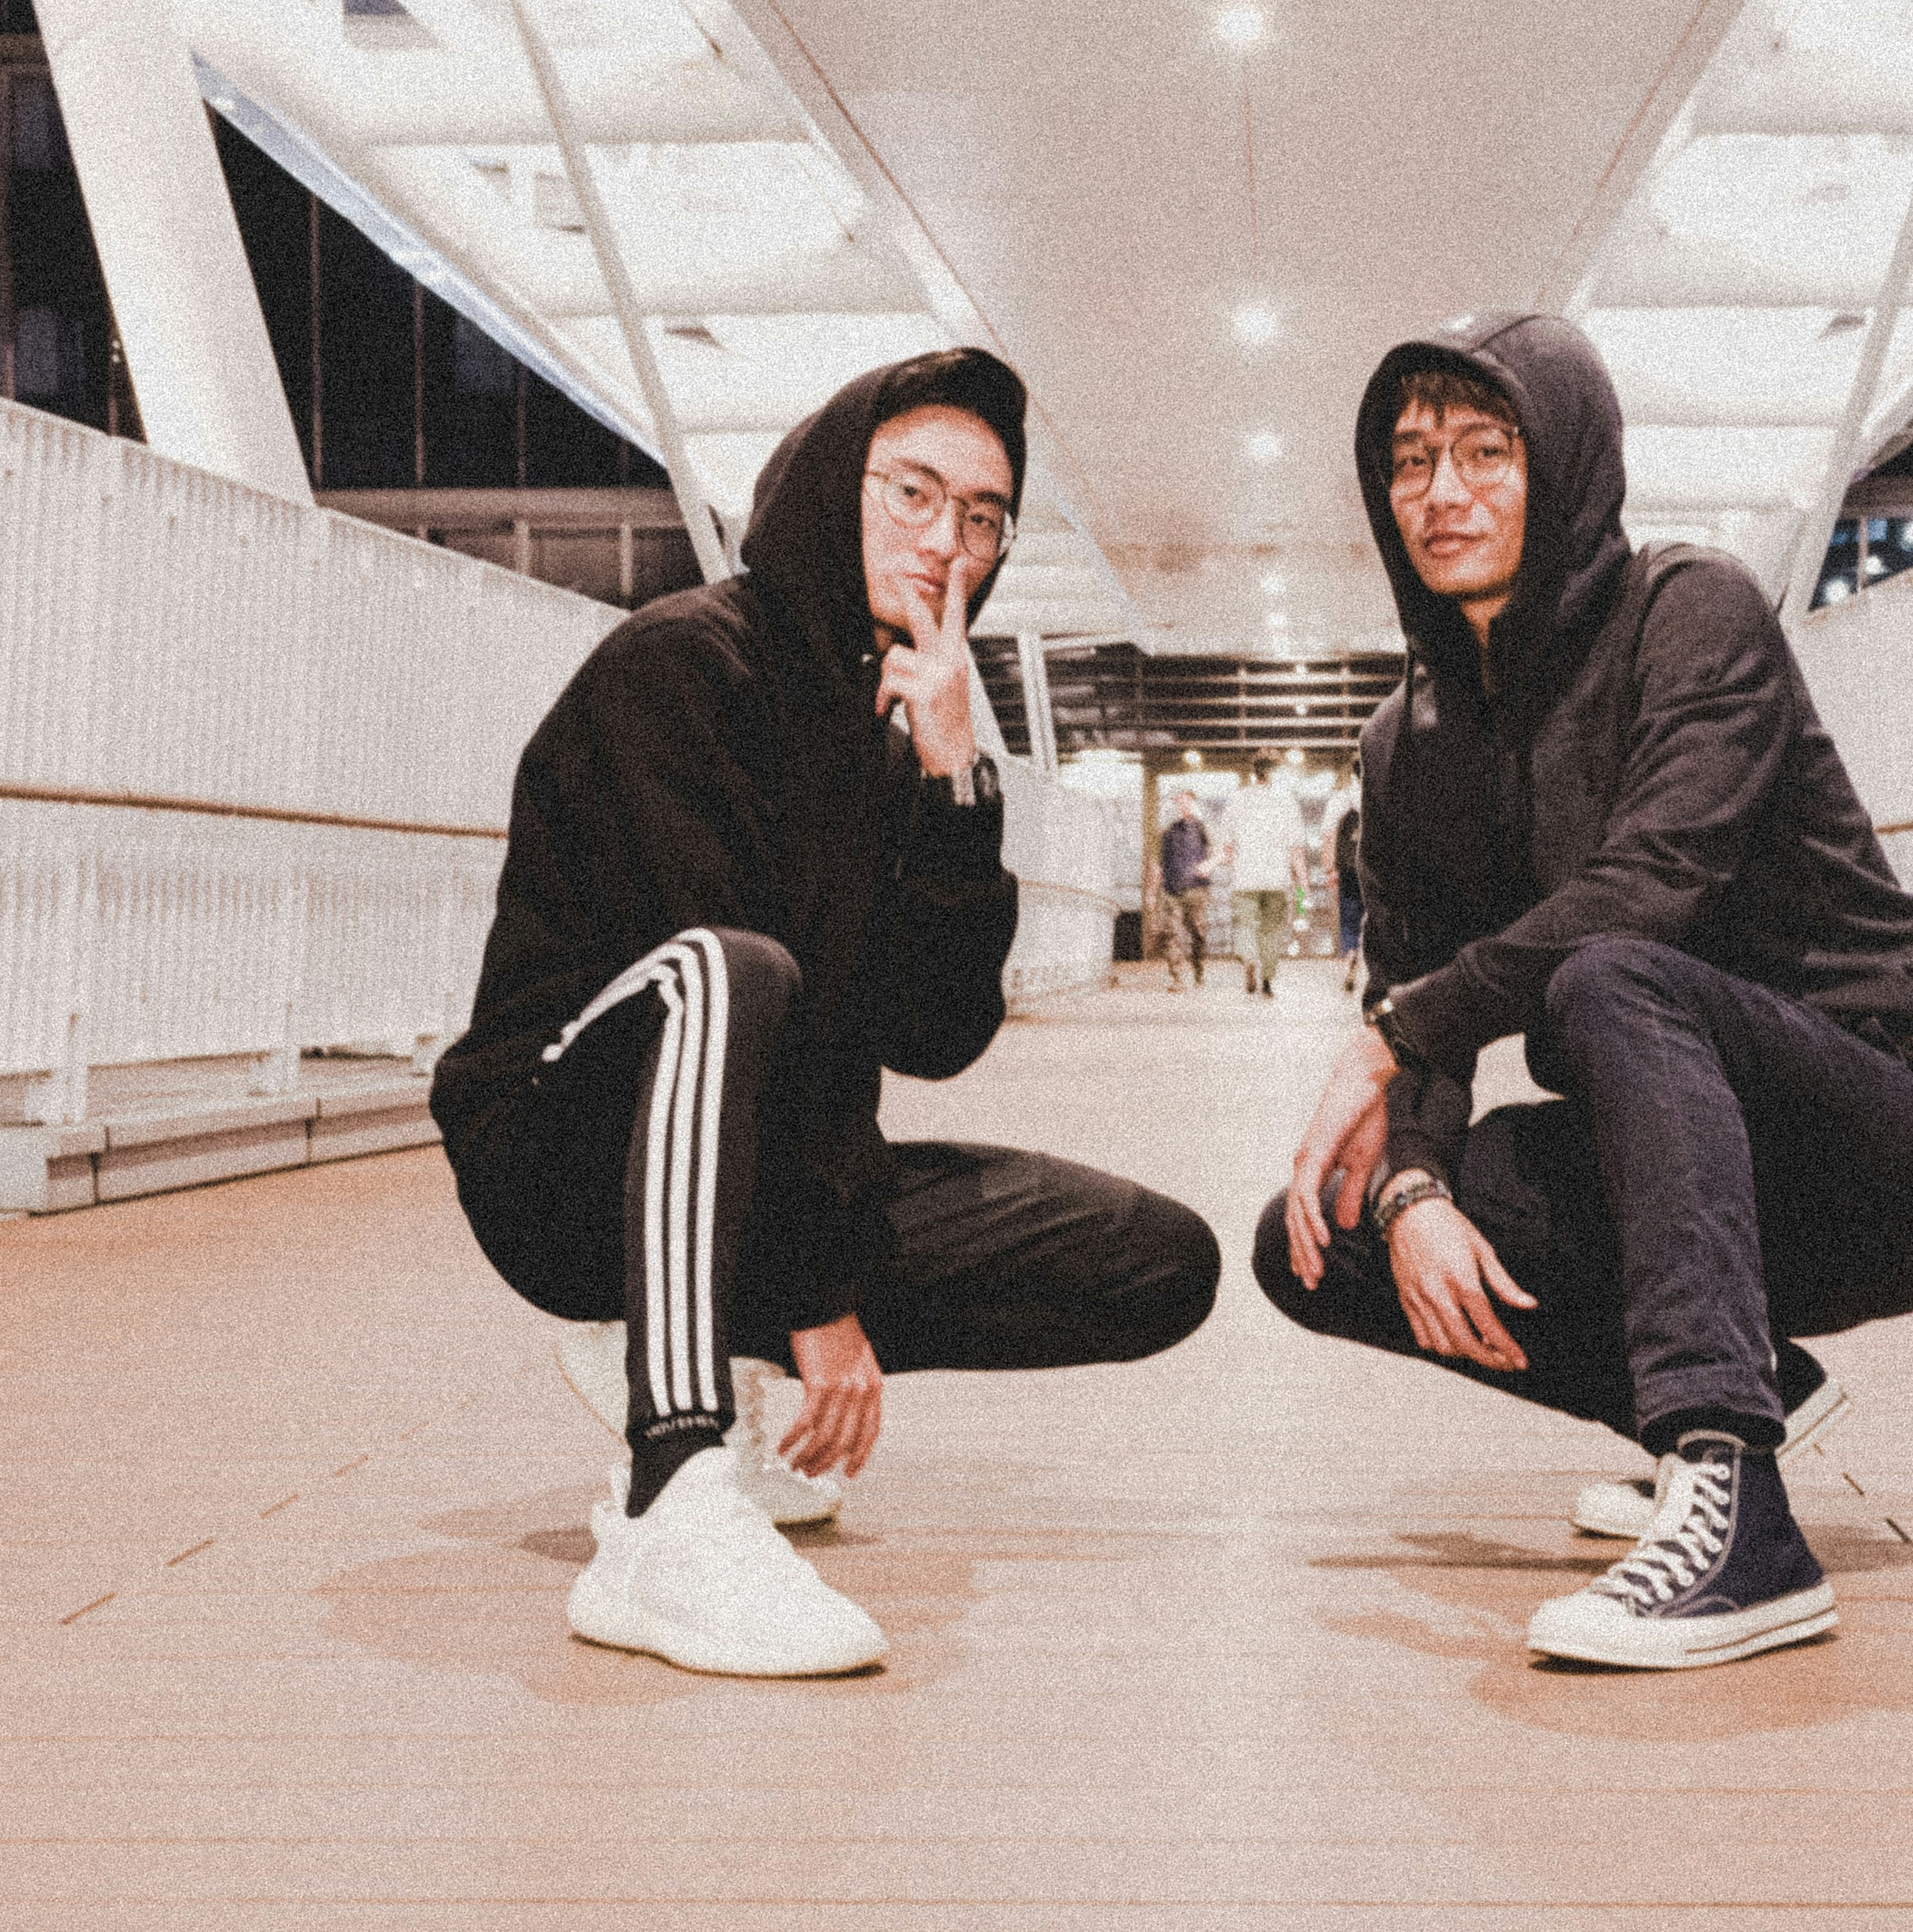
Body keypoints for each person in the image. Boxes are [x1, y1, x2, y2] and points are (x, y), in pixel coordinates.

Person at [432, 348, 1222, 1679]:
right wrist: (815, 1295)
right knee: (732, 968)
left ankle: (684, 1346)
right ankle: (669, 1494)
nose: (945, 541)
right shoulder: (680, 667)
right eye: (911, 492)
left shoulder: (894, 725)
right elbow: (715, 993)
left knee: (1156, 1259)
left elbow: (938, 1031)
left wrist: (957, 780)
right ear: (826, 486)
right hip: (564, 1158)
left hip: (759, 1171)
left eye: (982, 517)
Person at [1255, 312, 1913, 1671]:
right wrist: (1413, 1186)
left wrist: (1388, 1038)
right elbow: (1416, 985)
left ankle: (1739, 1517)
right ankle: (1735, 1394)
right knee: (1316, 1235)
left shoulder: (1690, 611)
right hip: (1680, 1159)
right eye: (1410, 460)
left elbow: (1650, 885)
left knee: (1612, 974)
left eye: (1485, 452)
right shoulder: (1407, 740)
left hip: (1894, 1140)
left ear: (1564, 464)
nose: (1440, 492)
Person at [1224, 776, 1308, 995]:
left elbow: (1227, 848)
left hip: (1245, 880)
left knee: (1245, 926)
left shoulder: (1237, 799)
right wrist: (1303, 884)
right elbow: (1296, 849)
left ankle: (1250, 958)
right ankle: (1267, 979)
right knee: (1271, 932)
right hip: (1277, 880)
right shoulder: (1287, 801)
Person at [1157, 793, 1214, 989]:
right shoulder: (1166, 832)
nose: (1182, 806)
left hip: (1196, 890)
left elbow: (1218, 852)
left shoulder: (1203, 828)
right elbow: (1157, 862)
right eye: (1179, 802)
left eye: (1186, 802)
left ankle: (1199, 969)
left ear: (1193, 804)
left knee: (1199, 933)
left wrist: (1209, 866)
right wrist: (1152, 893)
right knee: (1172, 934)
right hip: (1171, 890)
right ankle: (1177, 977)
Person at [1327, 793, 1365, 990]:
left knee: (1349, 921)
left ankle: (1351, 953)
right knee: (1374, 920)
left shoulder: (1345, 817)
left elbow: (1337, 847)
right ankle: (1371, 961)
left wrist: (1334, 870)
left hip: (1348, 874)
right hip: (1369, 874)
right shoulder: (1374, 814)